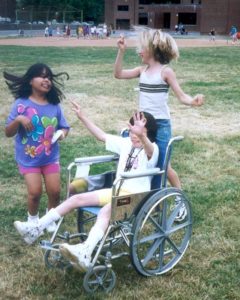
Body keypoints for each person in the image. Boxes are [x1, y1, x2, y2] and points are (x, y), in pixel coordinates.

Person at [14, 103, 159, 271]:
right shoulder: (126, 143)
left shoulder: (152, 149)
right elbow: (101, 135)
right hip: (116, 192)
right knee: (77, 198)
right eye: (132, 131)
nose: (135, 136)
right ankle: (36, 227)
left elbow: (148, 148)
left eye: (140, 133)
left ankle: (86, 251)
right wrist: (82, 117)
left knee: (106, 211)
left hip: (135, 197)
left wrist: (143, 136)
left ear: (148, 134)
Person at [114, 29, 204, 220]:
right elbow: (118, 74)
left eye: (142, 48)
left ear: (153, 50)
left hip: (161, 125)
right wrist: (121, 51)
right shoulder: (141, 71)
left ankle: (179, 199)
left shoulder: (166, 72)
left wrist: (193, 100)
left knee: (162, 164)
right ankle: (151, 203)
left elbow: (181, 96)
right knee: (145, 163)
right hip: (142, 125)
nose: (138, 51)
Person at [4, 63, 70, 233]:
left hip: (50, 157)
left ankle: (49, 218)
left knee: (55, 191)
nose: (46, 80)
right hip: (29, 159)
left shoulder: (54, 105)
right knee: (35, 193)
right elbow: (8, 133)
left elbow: (65, 127)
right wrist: (18, 119)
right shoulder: (21, 104)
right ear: (30, 80)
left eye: (49, 77)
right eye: (42, 76)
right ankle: (32, 222)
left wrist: (62, 134)